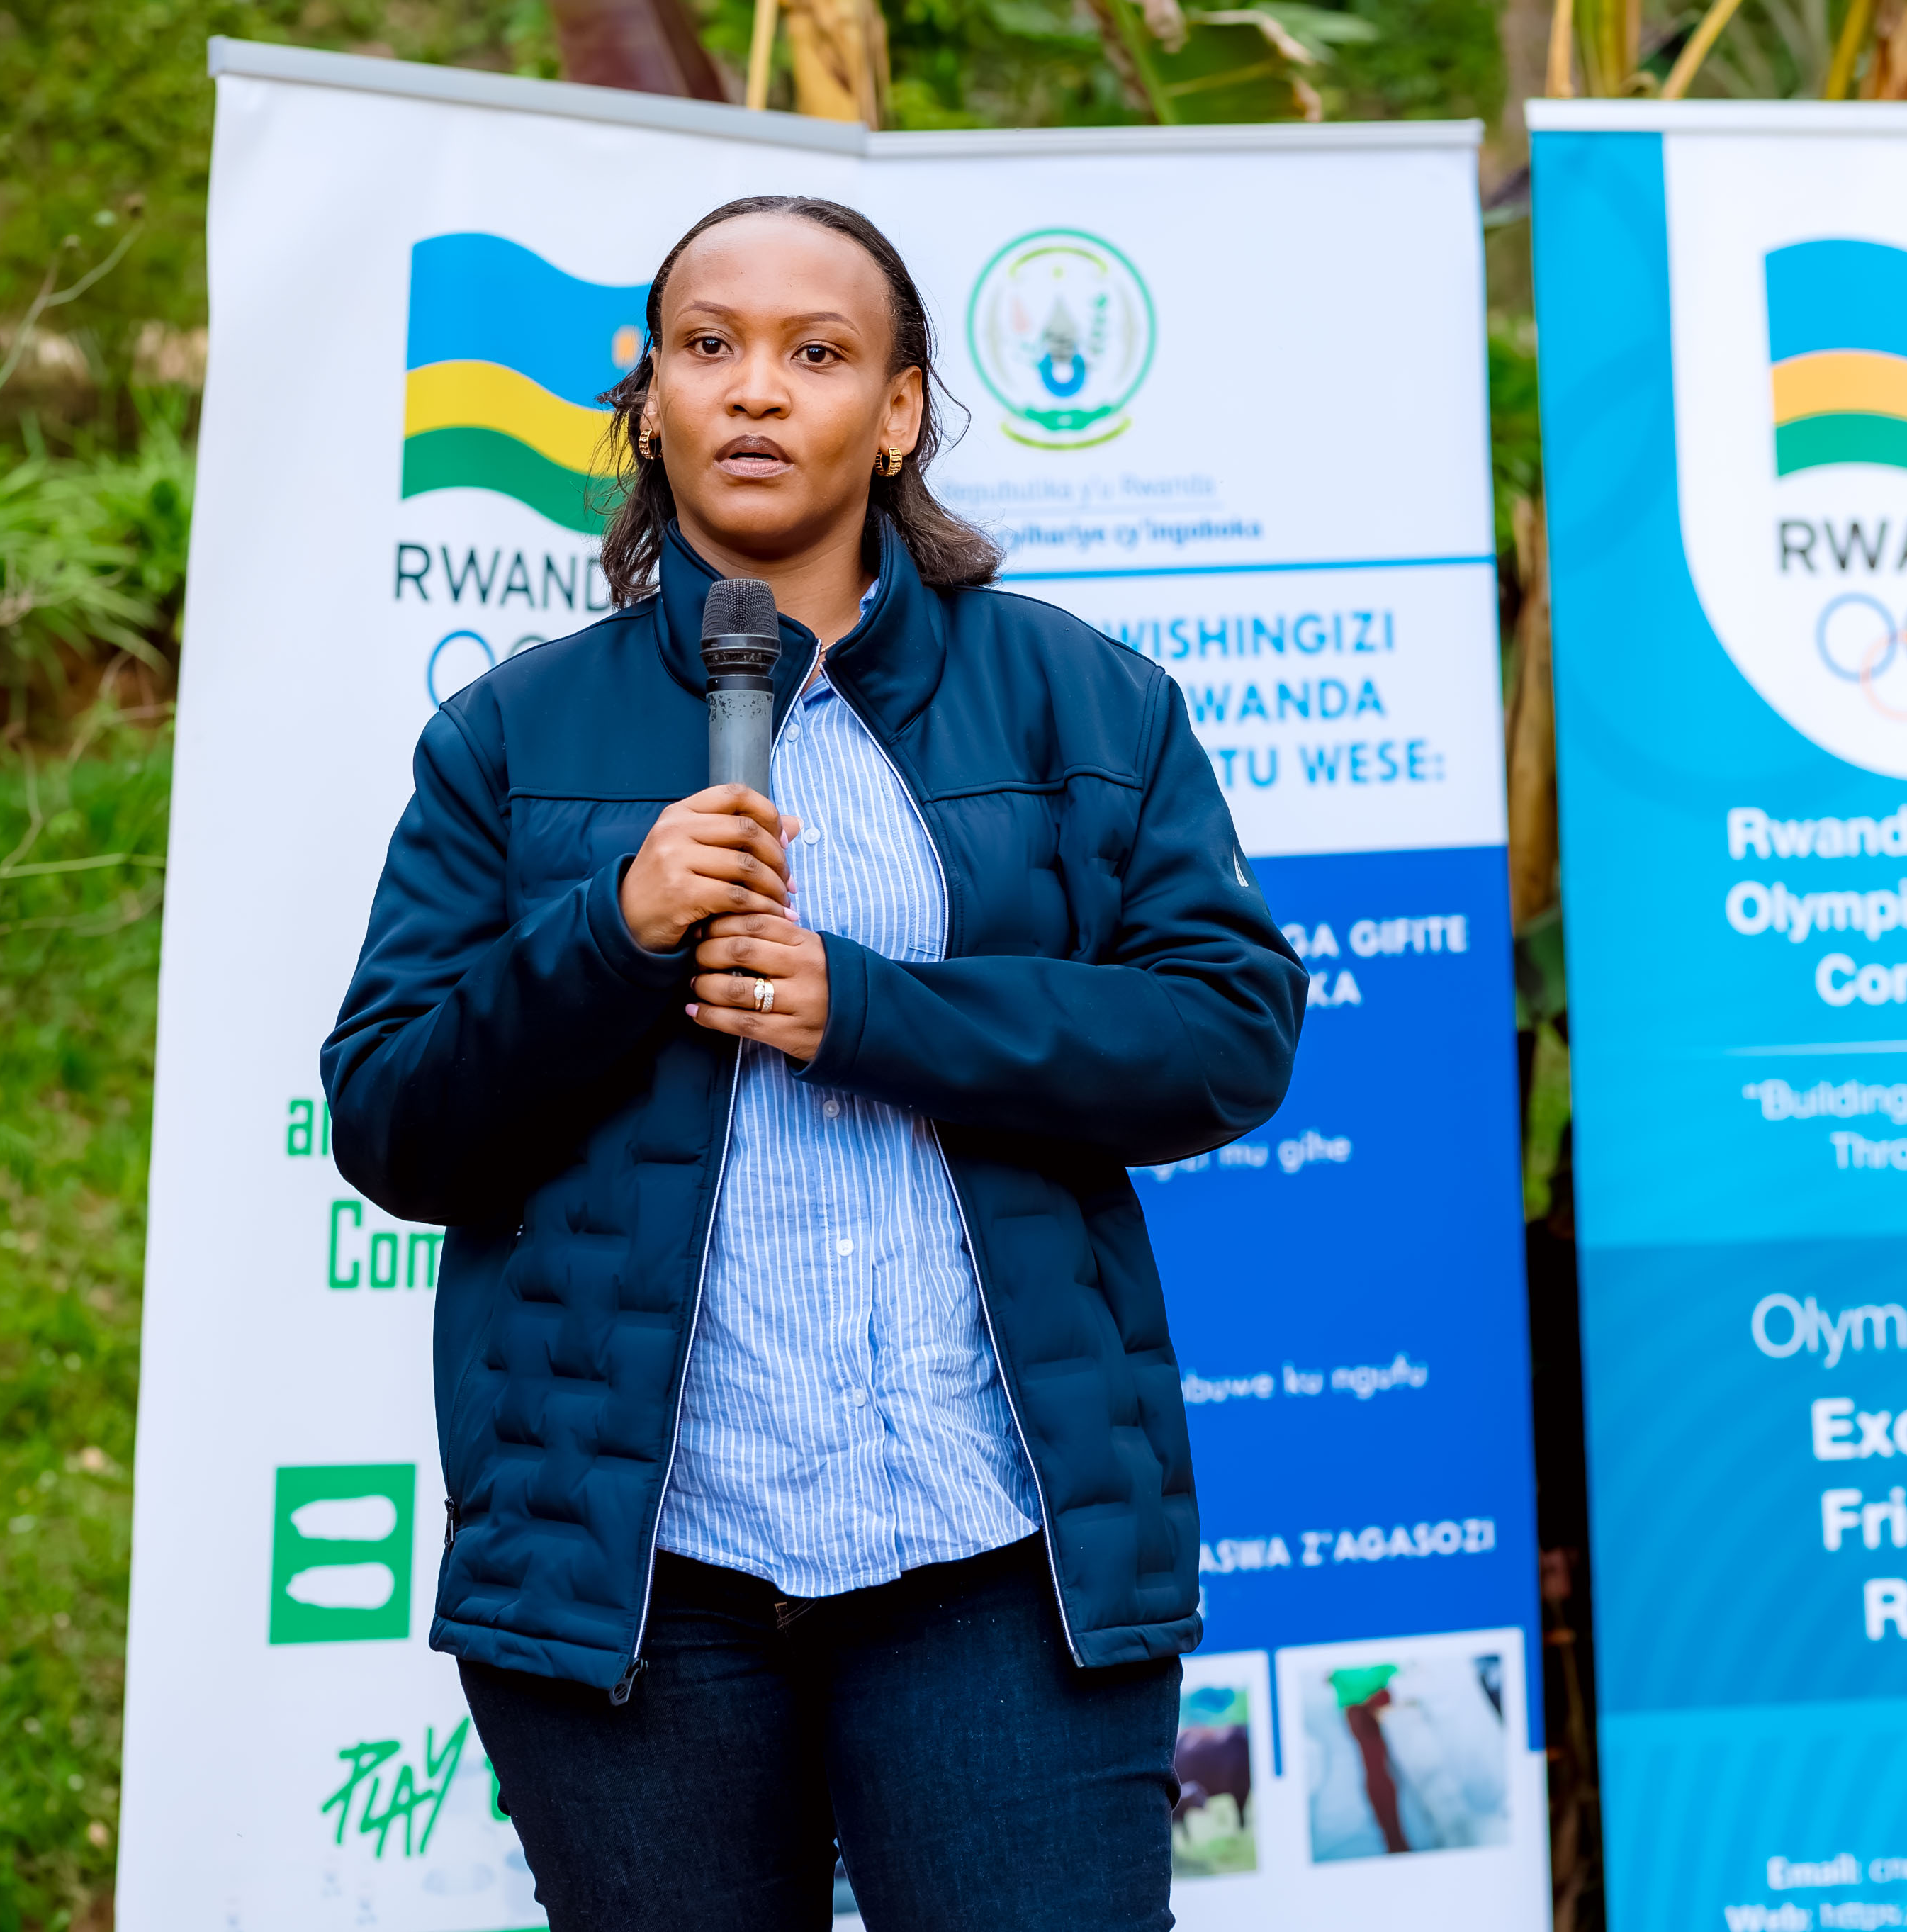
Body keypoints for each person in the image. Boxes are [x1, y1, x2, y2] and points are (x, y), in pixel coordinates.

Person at [322, 194, 1303, 1932]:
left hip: (995, 1550)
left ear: (900, 410)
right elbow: (395, 1121)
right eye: (709, 347)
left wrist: (873, 1010)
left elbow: (1226, 1033)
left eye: (817, 352)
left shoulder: (1080, 700)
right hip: (639, 1574)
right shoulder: (509, 735)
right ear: (648, 402)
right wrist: (612, 932)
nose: (757, 390)